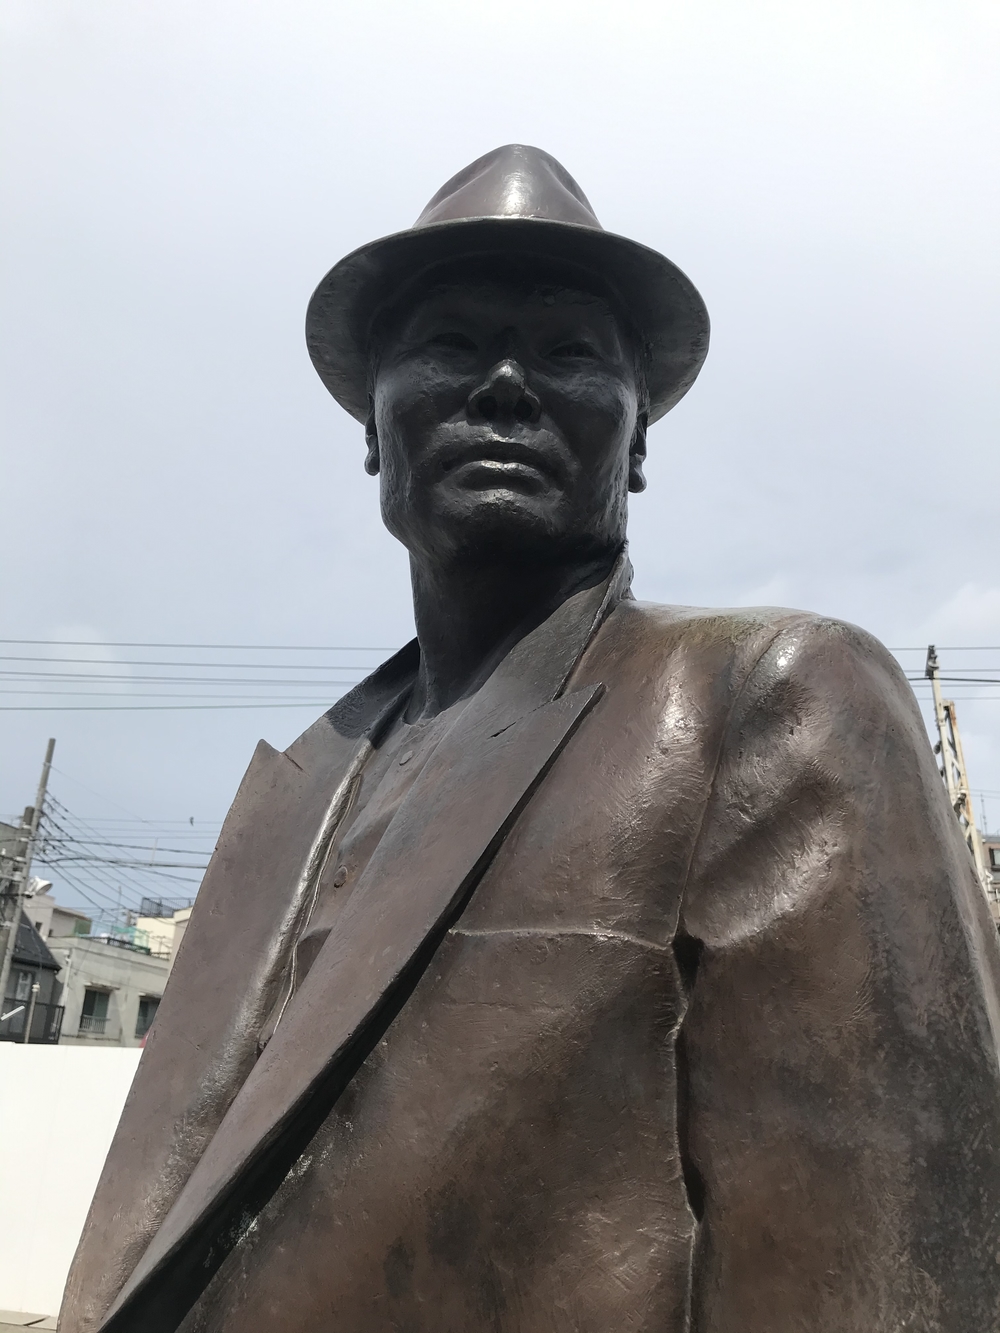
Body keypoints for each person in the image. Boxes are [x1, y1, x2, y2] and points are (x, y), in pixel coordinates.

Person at [62, 145, 1000, 1333]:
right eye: (450, 343)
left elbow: (883, 1274)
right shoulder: (301, 788)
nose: (505, 384)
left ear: (639, 440)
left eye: (567, 352)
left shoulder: (765, 699)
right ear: (371, 426)